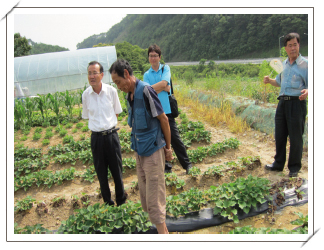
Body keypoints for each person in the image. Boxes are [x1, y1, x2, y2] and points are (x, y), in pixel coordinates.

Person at [109, 59, 172, 234]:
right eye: (115, 83)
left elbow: (164, 120)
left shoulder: (146, 90)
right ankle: (165, 233)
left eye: (118, 82)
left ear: (127, 74)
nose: (118, 86)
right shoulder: (129, 95)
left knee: (155, 200)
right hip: (140, 151)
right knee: (146, 197)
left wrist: (168, 148)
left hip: (152, 151)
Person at [82, 61, 127, 206]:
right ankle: (108, 202)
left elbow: (116, 113)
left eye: (94, 73)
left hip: (111, 136)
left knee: (117, 171)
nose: (91, 76)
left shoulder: (111, 91)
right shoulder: (86, 95)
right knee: (101, 173)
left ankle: (121, 201)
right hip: (96, 138)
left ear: (101, 75)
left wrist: (108, 128)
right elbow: (88, 116)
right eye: (89, 73)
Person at [263, 33, 308, 177]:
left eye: (295, 44)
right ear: (286, 48)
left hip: (297, 103)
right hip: (282, 103)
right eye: (290, 45)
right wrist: (270, 80)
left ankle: (294, 168)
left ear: (298, 45)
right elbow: (280, 82)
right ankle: (278, 164)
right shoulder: (283, 65)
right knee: (280, 135)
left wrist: (308, 91)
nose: (293, 48)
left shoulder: (306, 65)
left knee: (295, 137)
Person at [143, 44, 192, 174]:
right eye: (151, 56)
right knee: (159, 140)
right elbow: (147, 92)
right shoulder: (146, 74)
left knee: (175, 138)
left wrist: (159, 87)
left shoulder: (166, 68)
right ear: (148, 58)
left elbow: (162, 84)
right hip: (155, 111)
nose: (153, 58)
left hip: (167, 110)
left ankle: (187, 165)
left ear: (159, 57)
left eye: (155, 56)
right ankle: (166, 167)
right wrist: (162, 88)